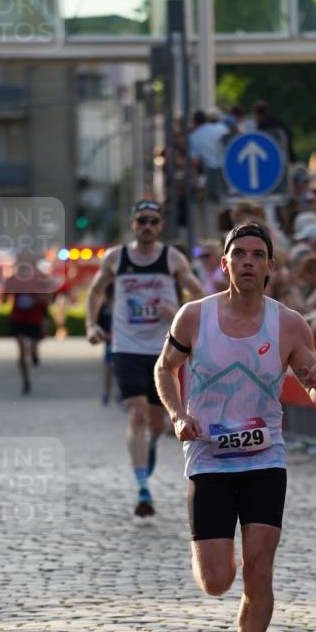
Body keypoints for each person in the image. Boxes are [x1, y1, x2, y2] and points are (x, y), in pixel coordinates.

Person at [154, 221, 316, 632]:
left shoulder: (289, 324)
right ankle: (217, 557)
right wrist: (177, 415)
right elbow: (164, 368)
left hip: (264, 458)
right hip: (208, 458)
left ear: (271, 266)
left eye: (258, 254)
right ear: (225, 263)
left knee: (259, 568)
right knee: (216, 581)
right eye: (240, 254)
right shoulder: (195, 316)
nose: (248, 261)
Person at [86, 199, 204, 518]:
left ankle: (150, 445)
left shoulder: (172, 258)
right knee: (136, 415)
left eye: (153, 221)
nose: (147, 226)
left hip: (165, 350)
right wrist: (92, 325)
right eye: (142, 221)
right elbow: (96, 291)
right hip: (126, 348)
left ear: (160, 225)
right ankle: (143, 489)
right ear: (132, 224)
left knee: (157, 422)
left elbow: (199, 294)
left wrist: (176, 312)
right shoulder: (116, 258)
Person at [3, 250, 52, 395]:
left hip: (35, 318)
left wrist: (35, 299)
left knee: (33, 344)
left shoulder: (41, 278)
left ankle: (34, 352)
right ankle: (26, 382)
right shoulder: (12, 279)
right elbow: (4, 299)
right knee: (21, 350)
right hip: (18, 318)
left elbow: (48, 298)